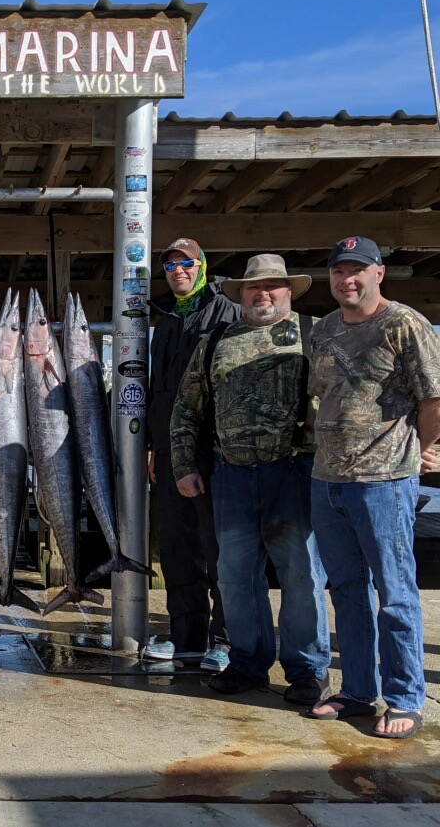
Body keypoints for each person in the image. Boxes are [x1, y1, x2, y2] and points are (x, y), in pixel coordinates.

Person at [170, 254, 331, 703]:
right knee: (235, 577)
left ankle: (308, 670)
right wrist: (183, 466)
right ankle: (247, 663)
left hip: (295, 472)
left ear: (288, 292)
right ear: (240, 294)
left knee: (301, 574)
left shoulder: (315, 333)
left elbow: (353, 396)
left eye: (272, 287)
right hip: (231, 475)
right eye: (253, 288)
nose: (262, 294)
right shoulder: (218, 338)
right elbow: (186, 407)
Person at [306, 236, 440, 739]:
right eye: (339, 272)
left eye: (358, 270)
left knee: (396, 593)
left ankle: (405, 696)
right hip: (327, 480)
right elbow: (320, 397)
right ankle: (358, 691)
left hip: (384, 480)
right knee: (346, 591)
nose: (348, 280)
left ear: (379, 272)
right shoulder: (323, 329)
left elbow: (434, 398)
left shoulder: (404, 324)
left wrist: (427, 451)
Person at [146, 238, 240, 671]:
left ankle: (224, 639)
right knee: (177, 546)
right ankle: (186, 636)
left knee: (218, 546)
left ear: (202, 265)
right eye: (170, 266)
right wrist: (151, 444)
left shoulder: (226, 310)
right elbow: (153, 388)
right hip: (168, 450)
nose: (177, 271)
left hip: (212, 449)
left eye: (186, 263)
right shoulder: (164, 317)